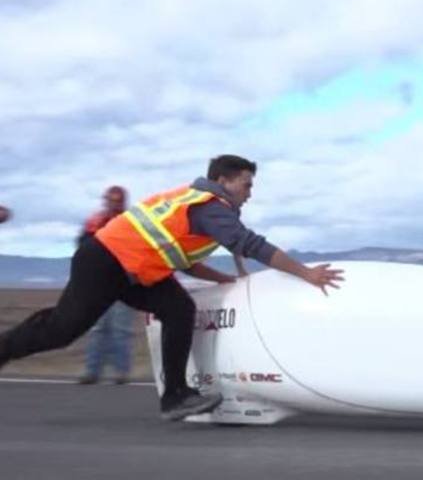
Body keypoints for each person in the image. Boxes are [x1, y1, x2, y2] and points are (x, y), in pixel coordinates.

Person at [0, 155, 344, 420]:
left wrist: (226, 282)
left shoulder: (195, 202)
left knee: (179, 309)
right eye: (246, 184)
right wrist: (306, 274)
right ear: (223, 181)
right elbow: (250, 244)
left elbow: (183, 259)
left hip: (133, 269)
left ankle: (175, 396)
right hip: (106, 260)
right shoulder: (210, 206)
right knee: (62, 330)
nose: (250, 193)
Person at [77, 186, 134, 385]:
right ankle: (92, 371)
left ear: (123, 202)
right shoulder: (94, 222)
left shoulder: (132, 221)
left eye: (118, 201)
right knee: (98, 328)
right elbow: (83, 247)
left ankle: (121, 372)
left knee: (121, 329)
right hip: (99, 284)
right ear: (106, 201)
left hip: (123, 283)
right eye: (111, 200)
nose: (114, 204)